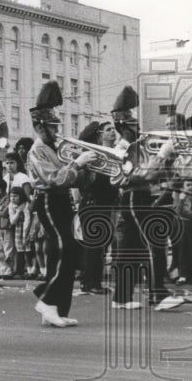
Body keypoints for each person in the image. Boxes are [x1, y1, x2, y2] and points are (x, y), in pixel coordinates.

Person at [25, 81, 98, 328]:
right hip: (47, 201)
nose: (57, 131)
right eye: (52, 126)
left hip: (62, 200)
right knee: (65, 248)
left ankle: (57, 309)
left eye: (57, 125)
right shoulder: (37, 150)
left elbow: (74, 178)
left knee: (67, 251)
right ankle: (47, 301)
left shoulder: (56, 147)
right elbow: (54, 179)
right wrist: (78, 164)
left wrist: (86, 167)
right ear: (39, 127)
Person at [108, 86, 185, 311]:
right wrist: (162, 154)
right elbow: (143, 175)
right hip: (134, 196)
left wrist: (167, 162)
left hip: (139, 196)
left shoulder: (136, 146)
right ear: (122, 124)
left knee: (129, 249)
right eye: (133, 123)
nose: (138, 127)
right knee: (155, 241)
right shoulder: (122, 148)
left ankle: (121, 297)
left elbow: (153, 175)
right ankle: (158, 294)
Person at [76, 121, 116, 294]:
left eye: (114, 129)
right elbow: (88, 182)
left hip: (104, 204)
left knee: (99, 245)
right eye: (108, 130)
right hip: (94, 204)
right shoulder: (95, 157)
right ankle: (91, 283)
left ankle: (90, 281)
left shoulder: (110, 155)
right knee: (95, 245)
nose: (113, 132)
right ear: (100, 135)